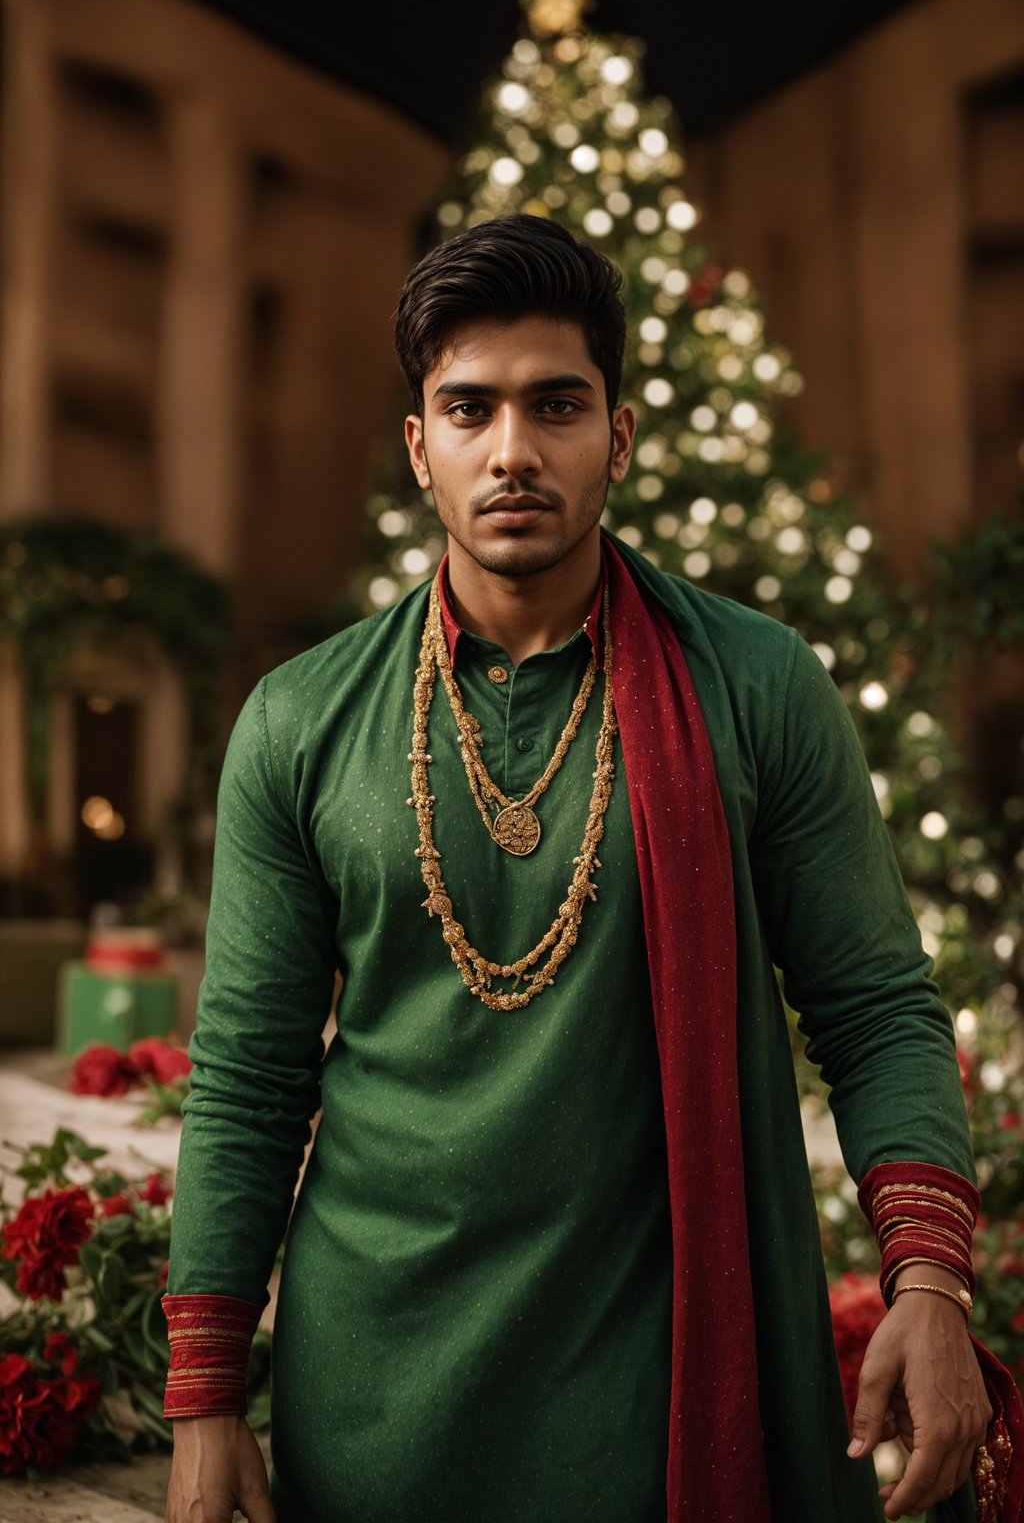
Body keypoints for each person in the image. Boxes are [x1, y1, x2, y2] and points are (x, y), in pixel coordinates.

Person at [163, 215, 1019, 1523]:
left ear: (617, 437)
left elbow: (876, 1004)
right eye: (470, 409)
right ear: (420, 447)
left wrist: (931, 1287)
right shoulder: (300, 720)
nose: (513, 449)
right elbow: (247, 1072)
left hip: (658, 1398)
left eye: (557, 405)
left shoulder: (756, 686)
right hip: (375, 1397)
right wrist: (207, 1399)